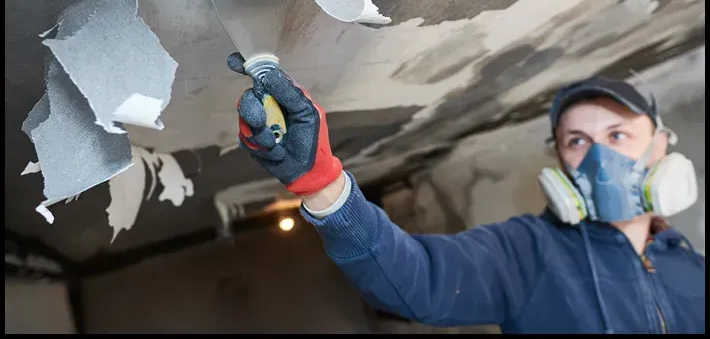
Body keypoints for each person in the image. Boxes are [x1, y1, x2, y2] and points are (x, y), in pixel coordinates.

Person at [231, 52, 705, 334]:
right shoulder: (526, 252)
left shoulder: (693, 266)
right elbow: (418, 280)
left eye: (619, 135)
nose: (599, 157)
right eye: (576, 141)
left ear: (661, 146)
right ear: (560, 161)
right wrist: (323, 186)